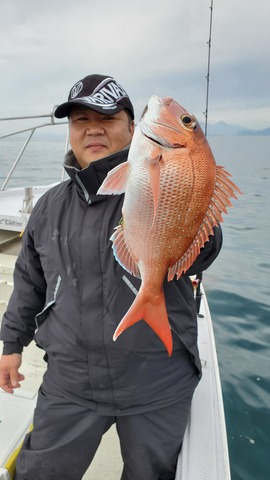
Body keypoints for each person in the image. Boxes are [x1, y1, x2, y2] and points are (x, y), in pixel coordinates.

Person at [0, 74, 223, 480]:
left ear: (133, 128)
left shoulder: (151, 177)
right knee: (40, 473)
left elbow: (203, 251)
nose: (93, 129)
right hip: (70, 383)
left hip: (158, 381)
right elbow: (29, 282)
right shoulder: (49, 206)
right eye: (80, 120)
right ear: (70, 132)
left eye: (106, 117)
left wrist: (196, 213)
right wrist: (11, 344)